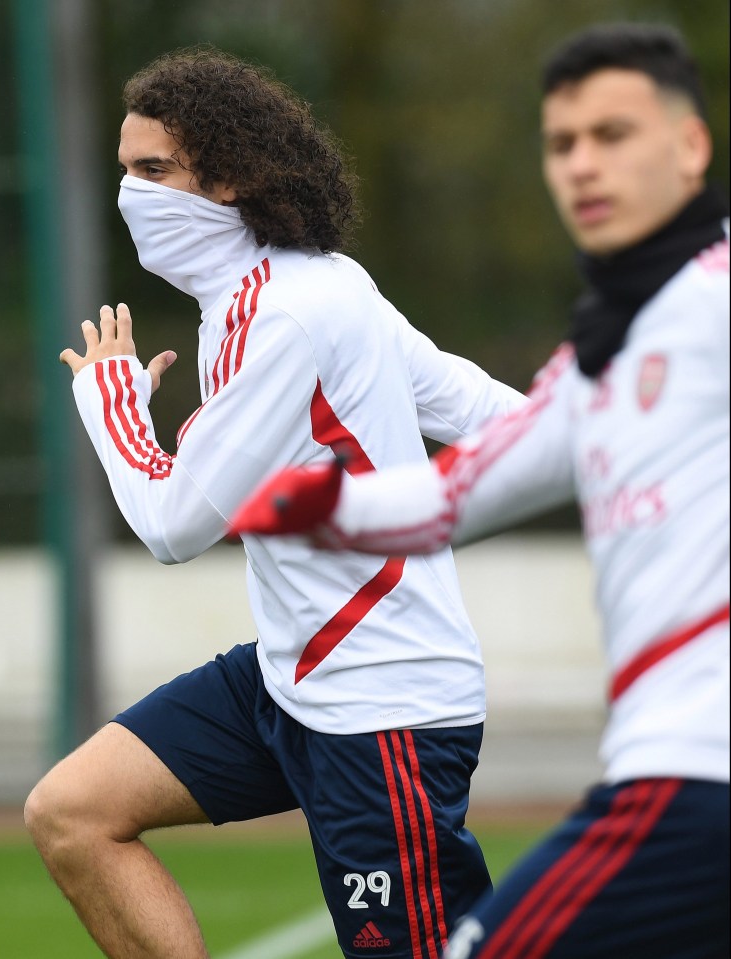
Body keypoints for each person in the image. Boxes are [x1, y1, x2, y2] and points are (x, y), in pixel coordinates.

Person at [231, 22, 730, 959]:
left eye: (613, 135)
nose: (583, 163)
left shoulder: (716, 293)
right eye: (561, 143)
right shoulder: (602, 355)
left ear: (691, 146)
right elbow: (458, 491)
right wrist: (315, 510)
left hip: (696, 777)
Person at [23, 47, 527, 959]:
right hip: (290, 682)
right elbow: (479, 405)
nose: (131, 195)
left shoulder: (290, 311)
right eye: (124, 170)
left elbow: (175, 525)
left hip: (382, 710)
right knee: (72, 812)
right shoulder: (294, 287)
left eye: (153, 171)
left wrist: (111, 404)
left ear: (230, 179)